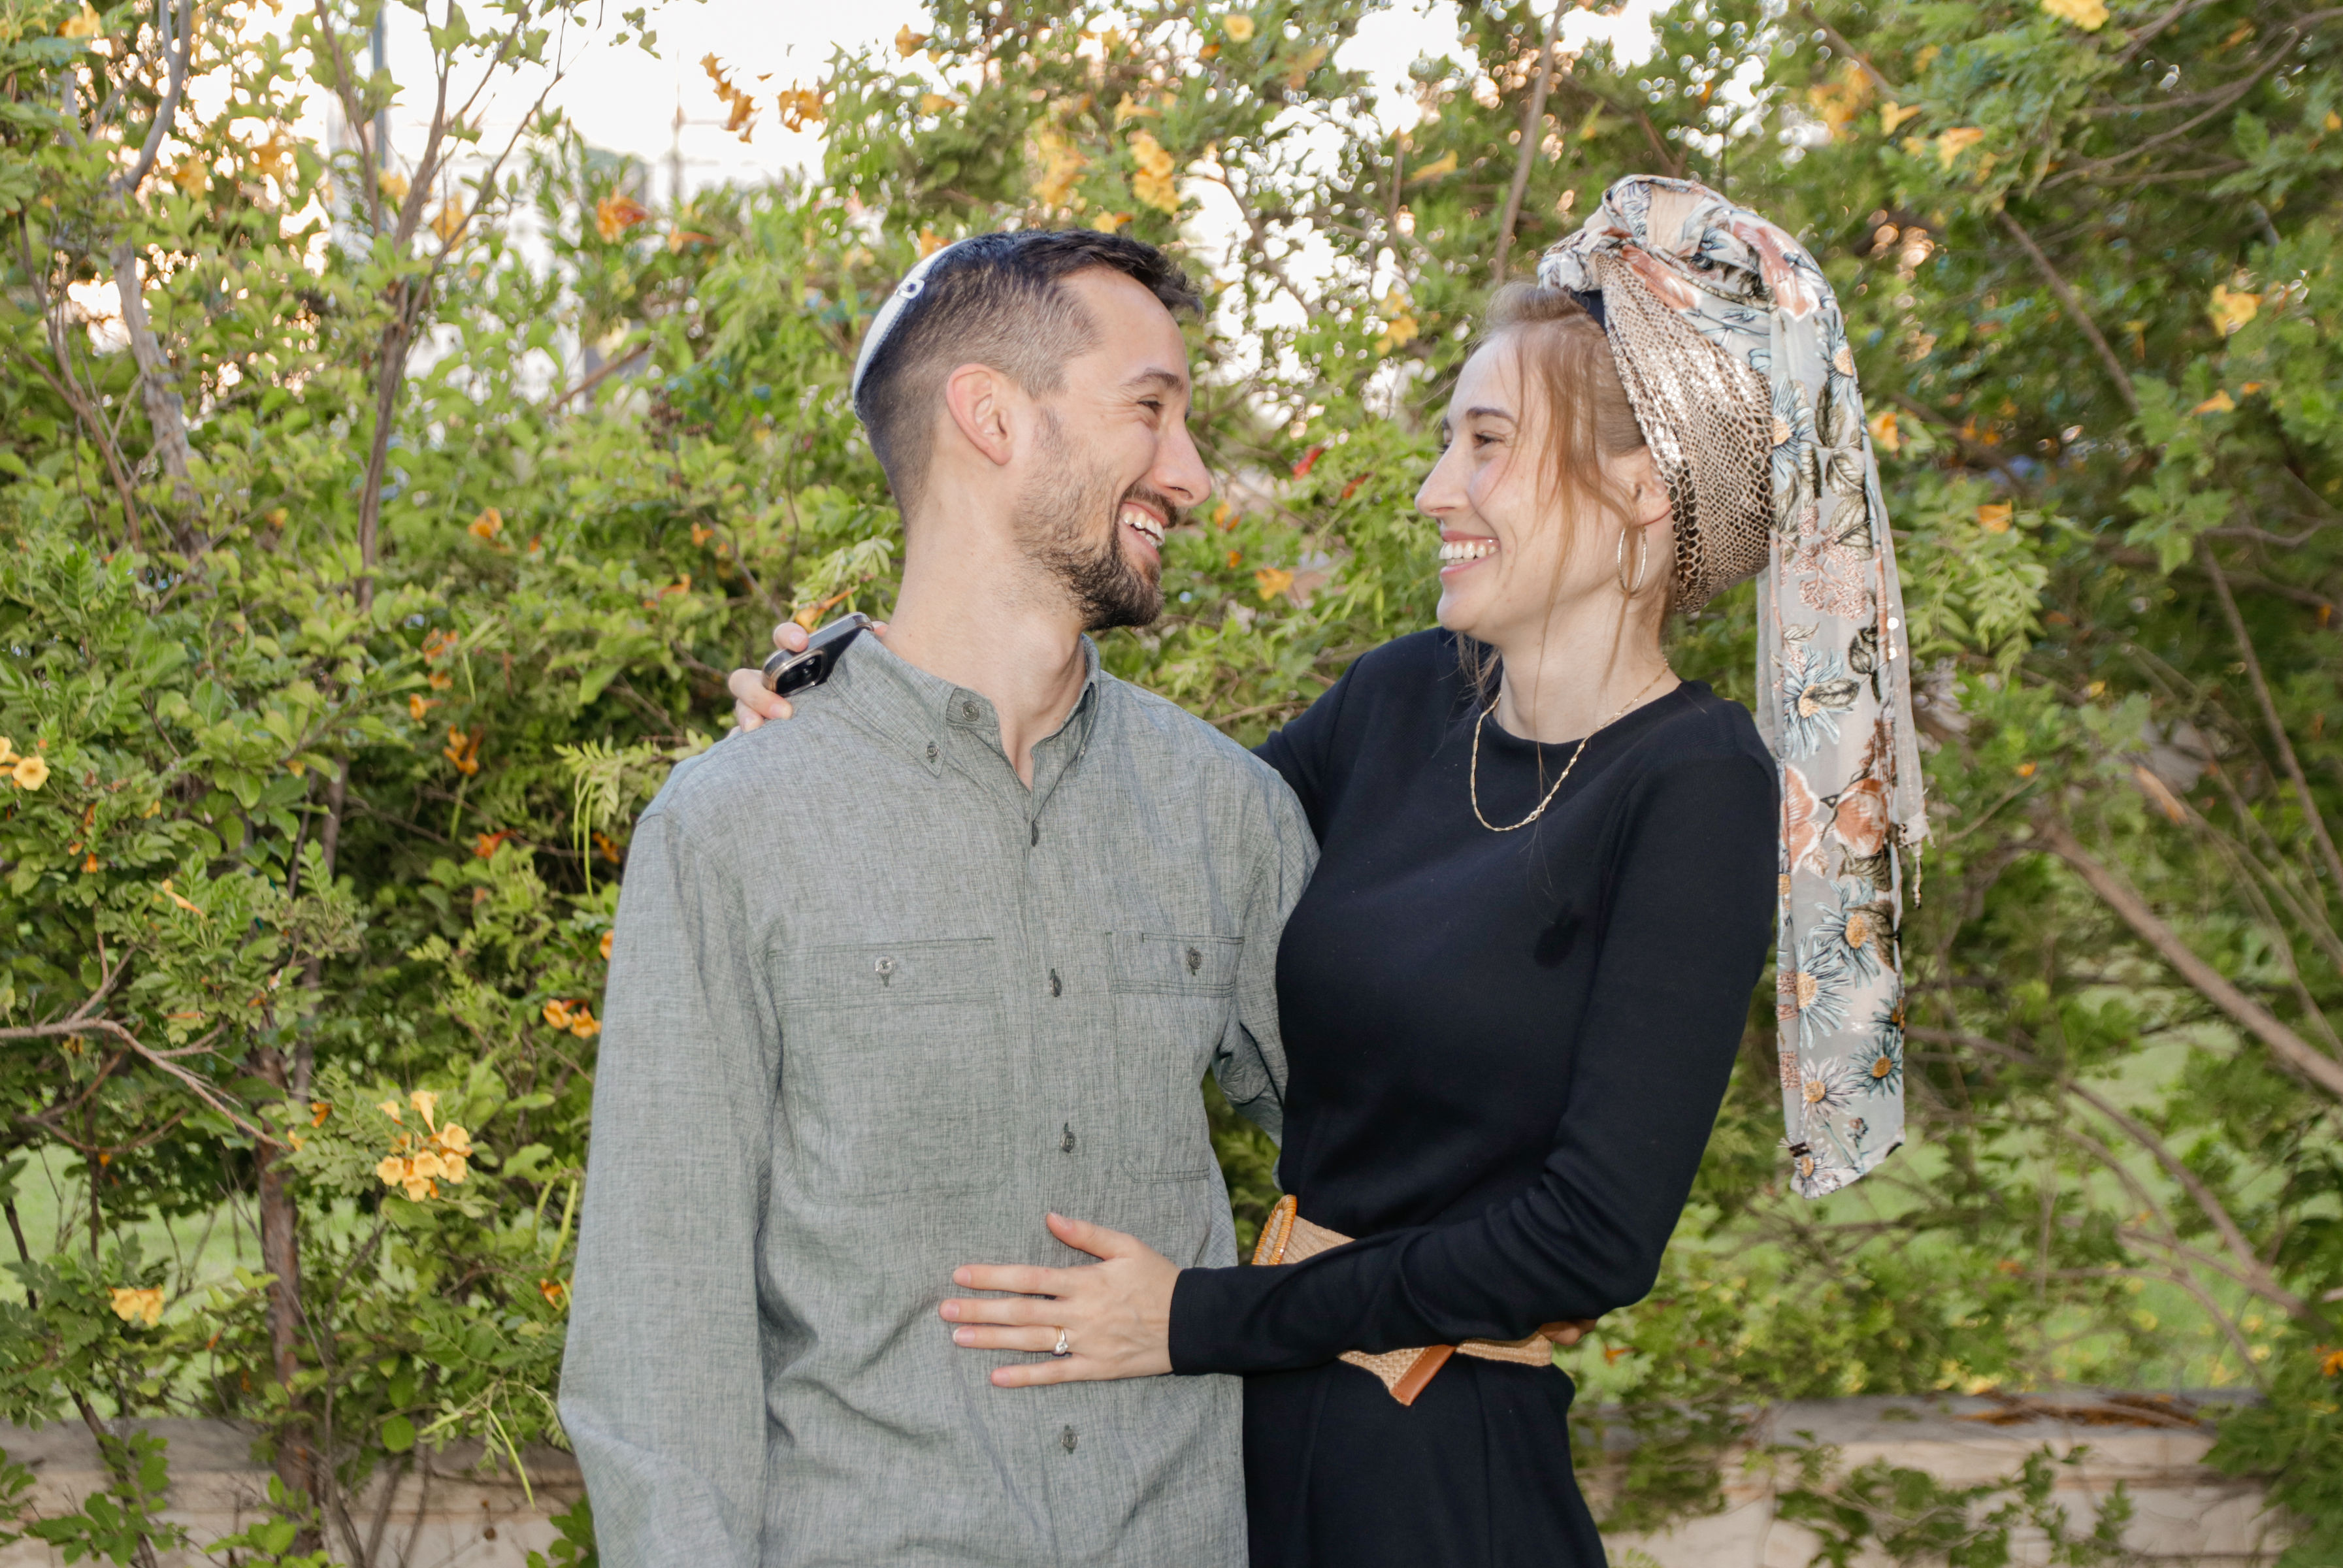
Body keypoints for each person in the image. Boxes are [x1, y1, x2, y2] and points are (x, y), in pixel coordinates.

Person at [728, 178, 1927, 1566]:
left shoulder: (1695, 783)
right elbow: (1116, 844)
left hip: (1441, 1478)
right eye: (1447, 441)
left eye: (1487, 444)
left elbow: (1593, 1239)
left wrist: (1197, 1318)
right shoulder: (1405, 699)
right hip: (1257, 1461)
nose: (1436, 490)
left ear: (1641, 488)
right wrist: (858, 713)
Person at [559, 230, 1321, 1568]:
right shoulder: (735, 827)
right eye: (1151, 410)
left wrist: (1228, 1316)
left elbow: (1405, 1159)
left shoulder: (1227, 812)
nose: (1193, 474)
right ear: (992, 416)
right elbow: (659, 1350)